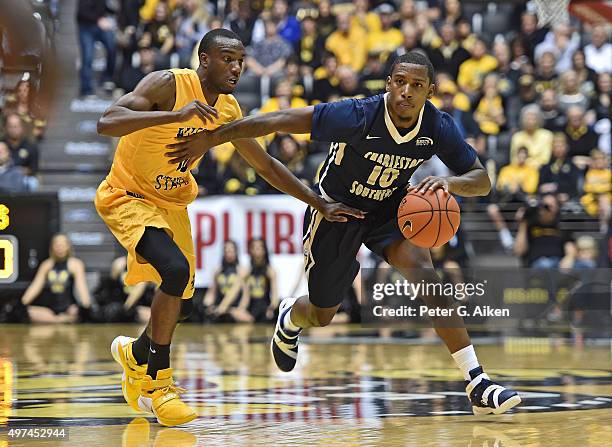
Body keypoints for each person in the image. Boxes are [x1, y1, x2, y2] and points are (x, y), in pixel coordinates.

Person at [165, 51, 522, 415]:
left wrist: (449, 182)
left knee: (427, 278)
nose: (406, 92)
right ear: (389, 84)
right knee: (323, 314)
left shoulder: (438, 125)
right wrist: (214, 138)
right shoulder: (359, 114)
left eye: (417, 86)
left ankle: (476, 381)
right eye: (400, 82)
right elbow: (282, 119)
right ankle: (290, 316)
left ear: (430, 91)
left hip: (390, 208)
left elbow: (482, 180)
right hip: (336, 210)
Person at [95, 28, 360, 427]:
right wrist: (177, 116)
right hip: (127, 194)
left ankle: (136, 355)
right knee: (175, 271)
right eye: (227, 59)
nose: (237, 67)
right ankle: (159, 384)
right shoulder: (169, 84)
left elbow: (266, 165)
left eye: (240, 59)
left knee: (182, 303)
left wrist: (318, 201)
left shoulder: (229, 110)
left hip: (173, 201)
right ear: (205, 60)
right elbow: (107, 121)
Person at [21, 234, 92, 323]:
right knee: (28, 312)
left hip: (69, 309)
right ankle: (59, 320)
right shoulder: (46, 265)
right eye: (57, 245)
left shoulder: (76, 264)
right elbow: (35, 286)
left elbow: (82, 288)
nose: (60, 248)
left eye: (63, 245)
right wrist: (22, 305)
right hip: (50, 311)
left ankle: (59, 320)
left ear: (68, 247)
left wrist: (86, 307)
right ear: (52, 247)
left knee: (75, 311)